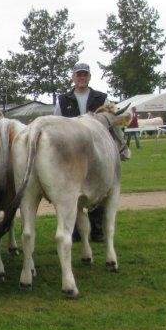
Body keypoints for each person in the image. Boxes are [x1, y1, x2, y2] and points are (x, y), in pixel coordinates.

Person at [55, 62, 108, 242]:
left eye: (85, 74)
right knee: (74, 192)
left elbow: (108, 123)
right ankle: (76, 230)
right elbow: (57, 123)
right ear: (73, 77)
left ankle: (97, 230)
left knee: (98, 190)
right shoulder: (63, 99)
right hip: (73, 151)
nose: (82, 78)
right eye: (79, 75)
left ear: (89, 77)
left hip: (97, 149)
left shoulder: (101, 98)